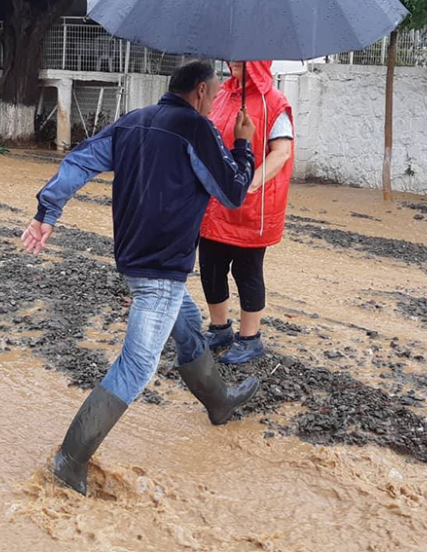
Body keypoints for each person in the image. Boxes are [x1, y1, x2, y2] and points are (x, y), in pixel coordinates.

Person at [21, 60, 262, 496]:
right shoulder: (197, 129)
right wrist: (243, 146)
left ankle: (219, 403)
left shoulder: (132, 123)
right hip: (161, 271)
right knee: (135, 366)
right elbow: (233, 193)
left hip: (134, 261)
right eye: (215, 91)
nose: (216, 99)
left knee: (188, 329)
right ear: (202, 92)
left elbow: (79, 162)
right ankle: (68, 462)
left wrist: (47, 213)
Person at [199, 61, 294, 364]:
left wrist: (251, 183)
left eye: (245, 57)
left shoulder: (274, 102)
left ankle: (250, 338)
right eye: (234, 56)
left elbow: (281, 152)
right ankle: (219, 328)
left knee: (247, 271)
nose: (236, 62)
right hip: (217, 199)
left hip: (253, 204)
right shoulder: (223, 95)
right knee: (211, 266)